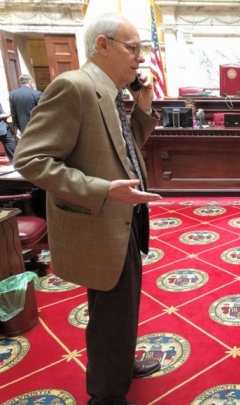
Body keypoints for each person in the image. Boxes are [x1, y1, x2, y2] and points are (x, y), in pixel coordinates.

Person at [14, 13, 163, 405]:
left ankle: (118, 363)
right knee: (112, 312)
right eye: (133, 48)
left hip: (122, 218)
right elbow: (31, 159)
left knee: (119, 307)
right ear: (103, 45)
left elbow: (123, 148)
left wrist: (143, 106)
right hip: (99, 219)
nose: (139, 58)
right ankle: (106, 395)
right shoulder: (74, 87)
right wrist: (102, 190)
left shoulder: (110, 92)